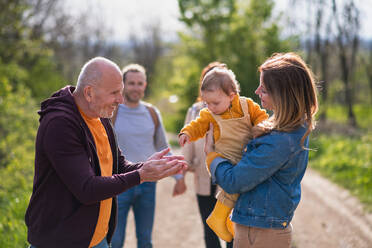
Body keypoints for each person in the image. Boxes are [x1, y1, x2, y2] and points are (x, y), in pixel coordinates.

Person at [25, 57, 187, 248]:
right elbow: (86, 189)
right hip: (59, 241)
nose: (120, 100)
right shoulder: (60, 124)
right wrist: (141, 175)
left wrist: (147, 167)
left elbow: (118, 166)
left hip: (97, 239)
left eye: (121, 92)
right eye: (114, 93)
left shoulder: (100, 116)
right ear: (89, 93)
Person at [205, 52, 318, 248]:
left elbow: (234, 181)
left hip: (262, 233)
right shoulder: (287, 128)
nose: (257, 91)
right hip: (256, 227)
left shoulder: (281, 140)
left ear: (283, 94)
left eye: (264, 89)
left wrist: (212, 157)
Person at [179, 66, 268, 242]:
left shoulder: (247, 105)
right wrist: (187, 133)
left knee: (239, 194)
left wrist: (261, 128)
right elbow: (197, 125)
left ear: (232, 96)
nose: (210, 107)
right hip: (223, 159)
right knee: (232, 187)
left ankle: (225, 221)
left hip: (244, 157)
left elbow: (262, 117)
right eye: (206, 103)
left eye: (215, 103)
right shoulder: (209, 114)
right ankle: (219, 218)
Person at [110, 64, 186, 248]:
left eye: (140, 83)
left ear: (145, 85)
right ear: (122, 85)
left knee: (145, 240)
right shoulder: (112, 112)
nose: (136, 87)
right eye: (131, 83)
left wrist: (179, 177)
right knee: (115, 240)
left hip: (148, 184)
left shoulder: (152, 113)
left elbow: (162, 146)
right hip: (119, 184)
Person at [182, 62, 235, 248]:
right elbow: (188, 140)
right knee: (208, 227)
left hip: (229, 177)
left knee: (230, 227)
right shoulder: (195, 110)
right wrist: (187, 164)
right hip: (203, 174)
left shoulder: (235, 109)